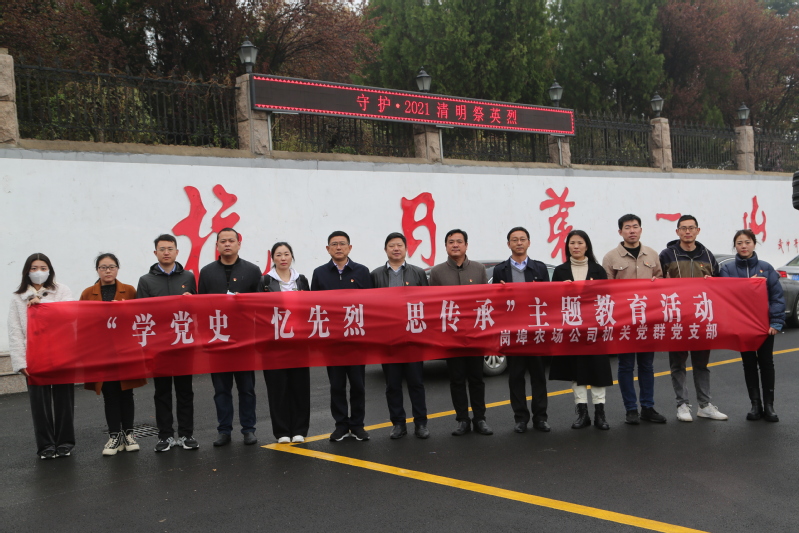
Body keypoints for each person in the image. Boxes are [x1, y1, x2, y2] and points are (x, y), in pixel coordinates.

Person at [198, 228, 263, 446]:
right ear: (217, 245)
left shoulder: (252, 271)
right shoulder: (207, 272)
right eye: (223, 241)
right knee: (221, 390)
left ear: (238, 244)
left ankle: (248, 429)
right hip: (217, 340)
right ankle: (224, 430)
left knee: (247, 389)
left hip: (244, 340)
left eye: (231, 241)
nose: (227, 244)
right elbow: (201, 308)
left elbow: (260, 305)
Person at [659, 215, 727, 422]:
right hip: (676, 318)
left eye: (691, 228)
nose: (687, 231)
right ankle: (682, 405)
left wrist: (712, 281)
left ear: (698, 230)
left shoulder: (707, 255)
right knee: (678, 364)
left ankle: (704, 405)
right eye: (683, 228)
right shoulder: (667, 255)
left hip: (700, 318)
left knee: (701, 364)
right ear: (677, 232)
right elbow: (657, 284)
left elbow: (720, 284)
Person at [7, 253, 75, 459]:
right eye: (34, 268)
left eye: (43, 268)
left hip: (60, 353)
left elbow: (69, 314)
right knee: (39, 404)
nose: (39, 272)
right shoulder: (18, 297)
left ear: (50, 270)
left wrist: (43, 305)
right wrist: (20, 362)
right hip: (34, 356)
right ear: (27, 271)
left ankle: (65, 442)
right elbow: (15, 331)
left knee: (64, 401)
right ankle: (45, 445)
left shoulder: (62, 290)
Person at [601, 214, 667, 425]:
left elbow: (661, 280)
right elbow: (606, 290)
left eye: (635, 226)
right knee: (626, 366)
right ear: (620, 231)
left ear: (641, 230)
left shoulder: (652, 254)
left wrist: (658, 282)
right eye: (627, 227)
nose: (632, 230)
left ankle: (647, 407)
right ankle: (630, 409)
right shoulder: (611, 257)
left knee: (647, 366)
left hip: (648, 319)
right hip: (624, 321)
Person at [136, 234, 198, 452]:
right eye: (162, 249)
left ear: (177, 252)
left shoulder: (189, 277)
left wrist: (191, 301)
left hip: (183, 342)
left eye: (170, 248)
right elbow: (140, 312)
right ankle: (165, 436)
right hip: (159, 344)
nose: (166, 252)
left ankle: (186, 434)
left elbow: (197, 310)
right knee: (162, 391)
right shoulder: (146, 281)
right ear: (155, 253)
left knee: (185, 391)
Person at [80, 253, 145, 456]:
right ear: (97, 270)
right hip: (102, 352)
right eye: (103, 267)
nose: (107, 271)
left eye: (111, 267)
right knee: (109, 393)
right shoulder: (88, 293)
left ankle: (129, 434)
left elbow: (141, 318)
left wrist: (124, 310)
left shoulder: (130, 290)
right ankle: (114, 435)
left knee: (126, 393)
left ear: (118, 269)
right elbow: (83, 323)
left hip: (126, 350)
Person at [429, 229, 493, 437]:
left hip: (475, 334)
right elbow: (432, 305)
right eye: (451, 242)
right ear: (446, 246)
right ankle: (462, 420)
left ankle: (480, 418)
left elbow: (486, 301)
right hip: (451, 335)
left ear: (466, 245)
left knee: (477, 379)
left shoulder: (478, 269)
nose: (455, 245)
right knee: (456, 379)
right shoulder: (437, 272)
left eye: (459, 241)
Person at [311, 231, 373, 442]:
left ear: (350, 247)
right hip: (332, 341)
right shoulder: (319, 273)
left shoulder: (362, 271)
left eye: (342, 244)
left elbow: (371, 305)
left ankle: (357, 425)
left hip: (356, 339)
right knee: (336, 385)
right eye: (334, 244)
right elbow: (314, 307)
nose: (338, 247)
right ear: (327, 249)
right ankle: (341, 425)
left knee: (358, 385)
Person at [550, 230, 614, 430]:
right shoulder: (560, 271)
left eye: (579, 243)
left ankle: (600, 414)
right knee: (576, 370)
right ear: (567, 246)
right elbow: (552, 301)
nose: (576, 246)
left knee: (598, 369)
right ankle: (582, 413)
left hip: (595, 329)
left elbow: (607, 299)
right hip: (572, 329)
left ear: (587, 246)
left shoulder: (598, 270)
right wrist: (561, 289)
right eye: (572, 243)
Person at [491, 226, 551, 434]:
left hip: (535, 330)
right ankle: (520, 418)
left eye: (522, 239)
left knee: (538, 376)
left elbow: (549, 298)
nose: (519, 243)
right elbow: (495, 303)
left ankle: (540, 418)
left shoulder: (539, 268)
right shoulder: (500, 270)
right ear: (508, 244)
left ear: (529, 242)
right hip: (513, 331)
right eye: (514, 240)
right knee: (515, 377)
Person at [370, 232, 430, 440]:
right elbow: (370, 306)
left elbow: (427, 303)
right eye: (391, 245)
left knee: (416, 382)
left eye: (399, 245)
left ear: (406, 249)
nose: (396, 249)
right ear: (385, 249)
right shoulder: (375, 275)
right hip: (388, 339)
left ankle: (421, 423)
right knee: (392, 384)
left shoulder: (418, 273)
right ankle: (398, 424)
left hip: (413, 337)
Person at [720, 229, 784, 422]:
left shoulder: (766, 268)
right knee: (748, 364)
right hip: (743, 327)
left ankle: (769, 406)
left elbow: (776, 297)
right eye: (739, 243)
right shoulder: (727, 270)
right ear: (735, 246)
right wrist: (749, 283)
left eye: (747, 242)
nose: (743, 246)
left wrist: (776, 322)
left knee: (766, 363)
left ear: (754, 244)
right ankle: (755, 405)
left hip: (764, 326)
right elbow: (725, 294)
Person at [261, 242, 312, 444]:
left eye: (286, 254)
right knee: (277, 388)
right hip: (274, 343)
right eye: (278, 255)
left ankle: (300, 429)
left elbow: (311, 308)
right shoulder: (265, 281)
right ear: (273, 258)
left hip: (298, 341)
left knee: (300, 387)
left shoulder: (302, 280)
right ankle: (281, 431)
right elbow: (257, 309)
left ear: (292, 256)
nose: (283, 258)